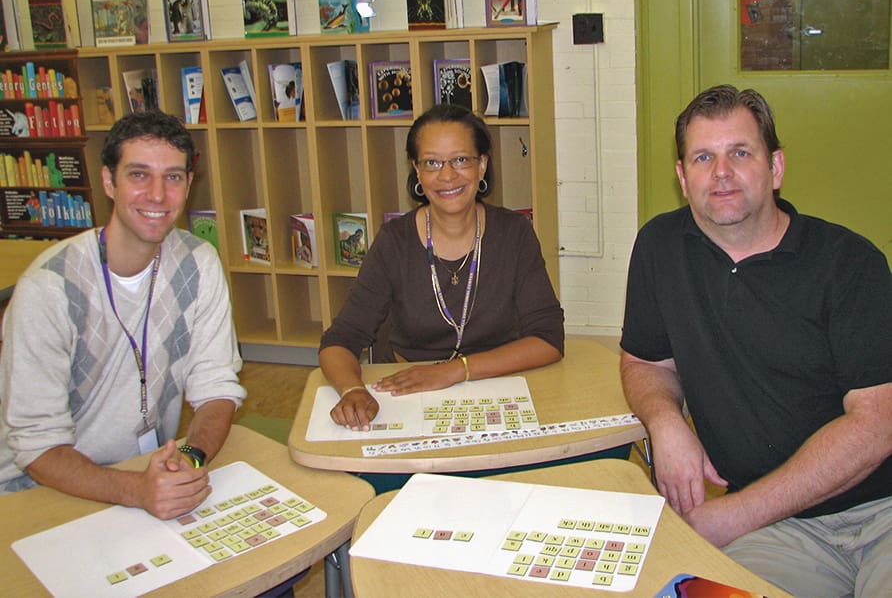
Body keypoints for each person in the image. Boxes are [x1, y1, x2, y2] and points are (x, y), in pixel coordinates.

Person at [619, 85, 892, 597]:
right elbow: (644, 361)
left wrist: (731, 516)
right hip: (778, 535)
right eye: (703, 157)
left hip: (882, 511)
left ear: (776, 168)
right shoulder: (660, 247)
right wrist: (664, 421)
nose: (721, 172)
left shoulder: (850, 263)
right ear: (682, 177)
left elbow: (877, 424)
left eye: (740, 153)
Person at [0, 110, 246, 519]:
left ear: (189, 185)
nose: (156, 195)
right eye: (138, 175)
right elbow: (36, 446)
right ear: (109, 182)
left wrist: (190, 457)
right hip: (40, 489)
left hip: (146, 475)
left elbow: (216, 386)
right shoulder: (49, 289)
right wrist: (137, 490)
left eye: (172, 177)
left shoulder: (198, 262)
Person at [320, 104, 564, 431]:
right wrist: (351, 390)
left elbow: (548, 339)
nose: (447, 175)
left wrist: (453, 371)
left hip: (495, 385)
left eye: (461, 160)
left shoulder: (514, 233)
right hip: (408, 392)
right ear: (416, 171)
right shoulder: (395, 241)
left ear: (483, 166)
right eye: (432, 162)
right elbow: (341, 338)